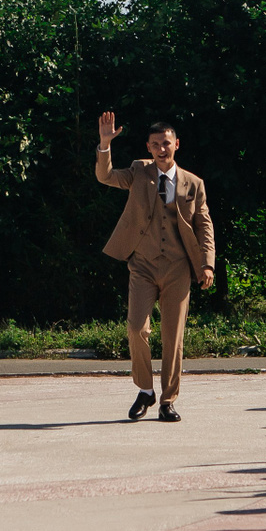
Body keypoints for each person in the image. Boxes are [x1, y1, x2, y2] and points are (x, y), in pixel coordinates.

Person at [94, 113, 216, 422]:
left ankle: (167, 401)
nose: (162, 149)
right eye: (156, 144)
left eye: (166, 143)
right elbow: (106, 176)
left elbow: (204, 226)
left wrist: (207, 264)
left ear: (177, 144)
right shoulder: (139, 171)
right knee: (137, 327)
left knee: (173, 337)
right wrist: (105, 145)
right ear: (148, 147)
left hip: (178, 267)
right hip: (143, 265)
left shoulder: (194, 184)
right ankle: (145, 390)